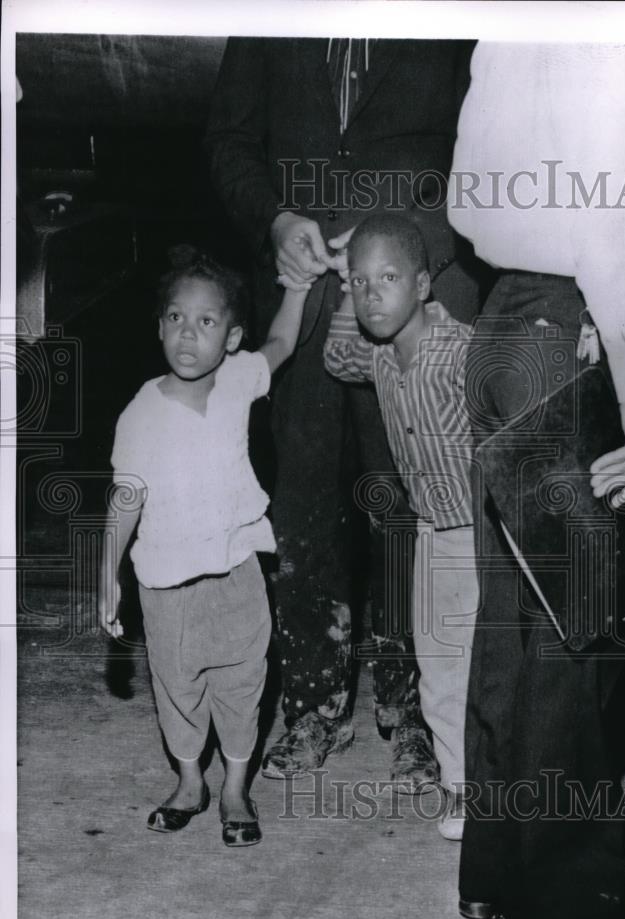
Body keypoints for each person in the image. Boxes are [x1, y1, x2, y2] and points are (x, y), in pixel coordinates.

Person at [204, 37, 486, 788]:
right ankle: (311, 705)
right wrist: (272, 220)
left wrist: (403, 248)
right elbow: (229, 139)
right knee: (302, 506)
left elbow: (486, 149)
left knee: (415, 508)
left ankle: (418, 716)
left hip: (414, 294)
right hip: (299, 298)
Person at [446, 42, 625, 919]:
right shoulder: (597, 43)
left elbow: (463, 198)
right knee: (579, 633)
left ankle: (495, 870)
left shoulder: (501, 40)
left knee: (515, 624)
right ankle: (567, 888)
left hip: (501, 323)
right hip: (564, 327)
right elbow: (610, 226)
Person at [97, 246, 311, 847]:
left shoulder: (240, 378)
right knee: (177, 689)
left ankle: (236, 788)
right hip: (166, 586)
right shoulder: (140, 412)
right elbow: (126, 499)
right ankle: (190, 781)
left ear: (231, 336)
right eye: (175, 318)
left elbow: (282, 345)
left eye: (206, 322)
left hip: (237, 571)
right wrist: (105, 574)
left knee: (244, 684)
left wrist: (296, 288)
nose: (188, 334)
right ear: (159, 325)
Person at [321, 214, 476, 840]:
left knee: (491, 669)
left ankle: (518, 788)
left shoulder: (464, 349)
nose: (371, 295)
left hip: (487, 534)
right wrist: (339, 281)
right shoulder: (377, 354)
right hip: (432, 536)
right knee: (438, 670)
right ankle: (463, 791)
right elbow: (336, 355)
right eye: (361, 283)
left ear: (422, 284)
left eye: (387, 278)